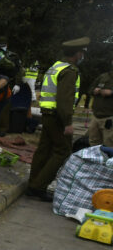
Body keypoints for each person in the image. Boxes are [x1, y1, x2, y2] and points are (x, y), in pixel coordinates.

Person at [27, 37, 89, 201]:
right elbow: (64, 100)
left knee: (44, 150)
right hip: (58, 117)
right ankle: (38, 186)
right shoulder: (70, 71)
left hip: (47, 115)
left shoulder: (55, 67)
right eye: (82, 53)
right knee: (63, 151)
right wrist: (68, 123)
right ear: (77, 54)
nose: (82, 56)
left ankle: (33, 185)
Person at [87, 57, 113, 147]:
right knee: (93, 143)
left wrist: (111, 93)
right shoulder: (103, 76)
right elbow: (90, 89)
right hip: (96, 116)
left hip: (110, 117)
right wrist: (94, 90)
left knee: (109, 144)